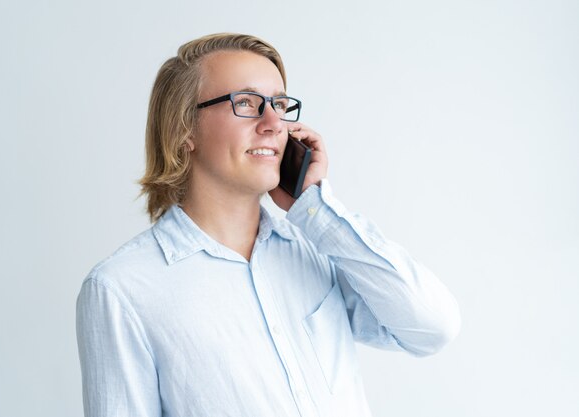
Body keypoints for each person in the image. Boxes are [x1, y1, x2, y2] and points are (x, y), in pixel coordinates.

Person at [76, 33, 461, 417]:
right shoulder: (122, 290)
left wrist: (317, 210)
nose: (274, 124)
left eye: (279, 104)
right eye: (245, 102)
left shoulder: (319, 249)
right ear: (184, 130)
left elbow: (431, 326)